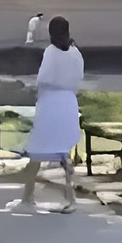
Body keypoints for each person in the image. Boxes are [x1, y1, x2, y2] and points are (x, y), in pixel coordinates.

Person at [9, 16, 84, 213]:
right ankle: (70, 197)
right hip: (68, 102)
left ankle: (28, 196)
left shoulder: (51, 53)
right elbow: (79, 78)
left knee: (37, 149)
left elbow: (43, 79)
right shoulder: (76, 53)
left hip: (51, 103)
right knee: (63, 151)